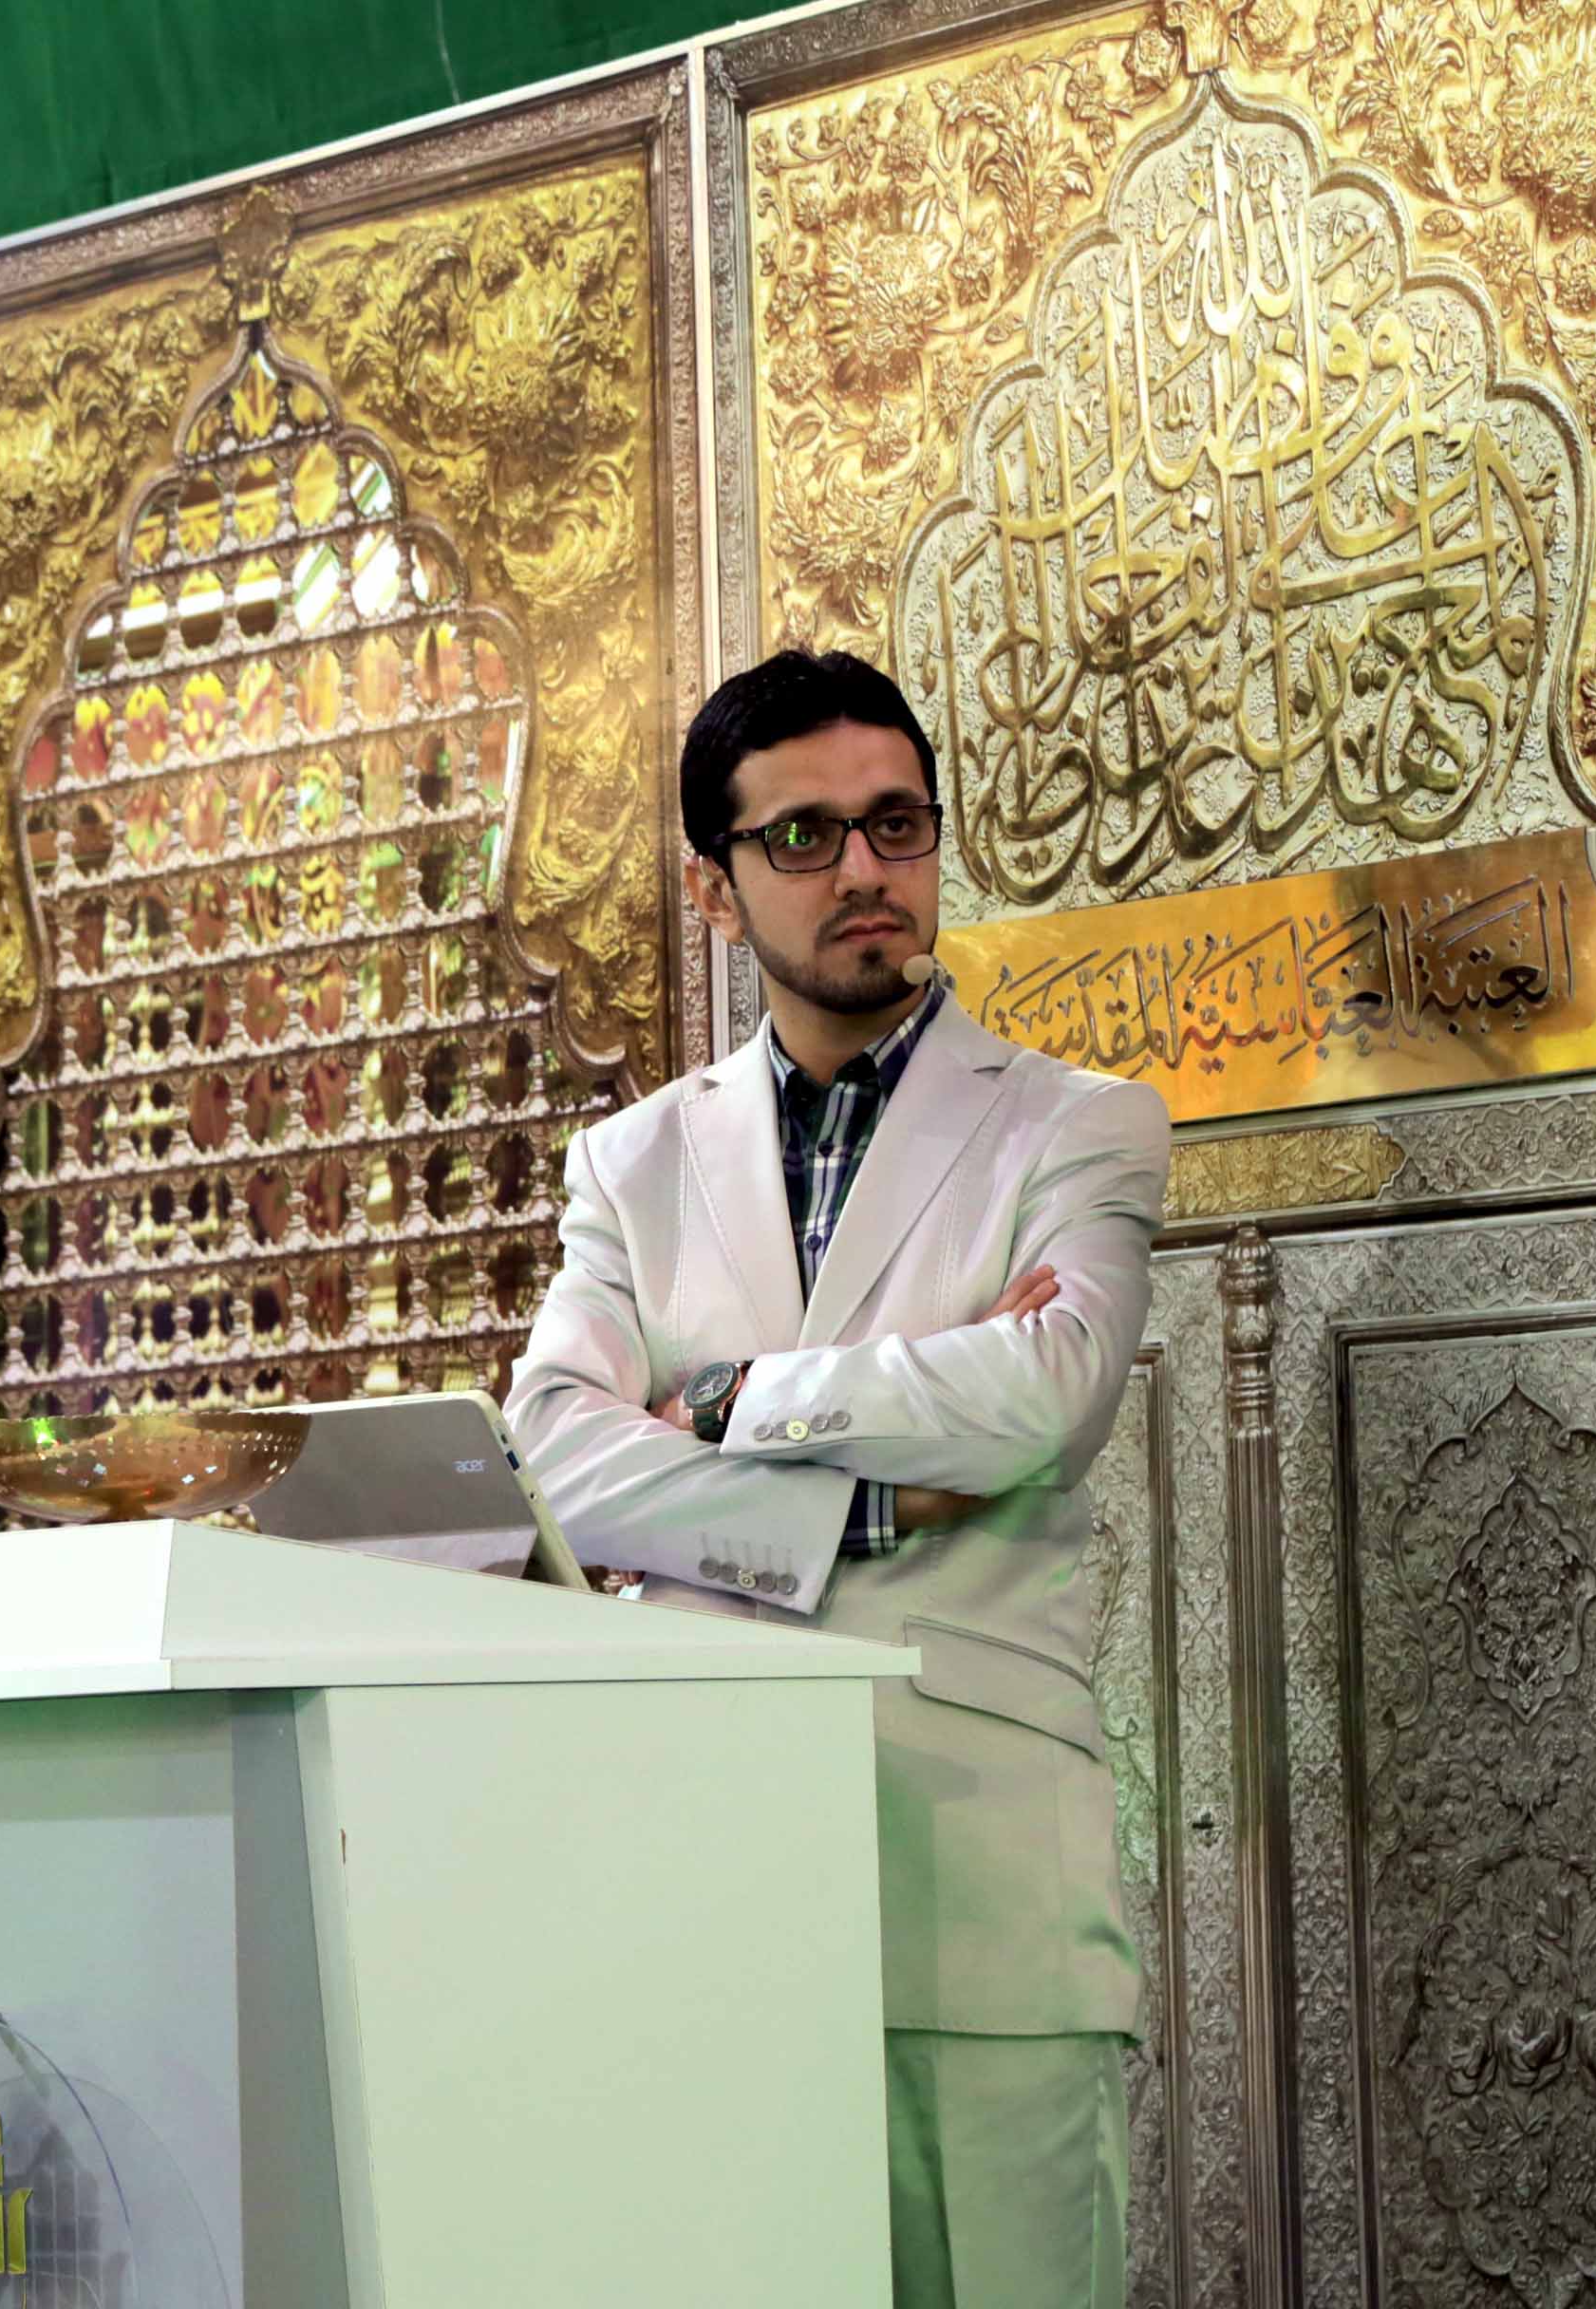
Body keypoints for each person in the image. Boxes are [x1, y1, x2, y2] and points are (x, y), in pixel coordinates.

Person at [506, 648, 1168, 2308]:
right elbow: (558, 1455)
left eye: (896, 823)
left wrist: (722, 1399)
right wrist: (858, 1500)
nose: (865, 868)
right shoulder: (634, 1165)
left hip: (984, 1893)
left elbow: (1045, 1395)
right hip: (702, 1885)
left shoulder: (1079, 1124)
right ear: (713, 888)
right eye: (803, 836)